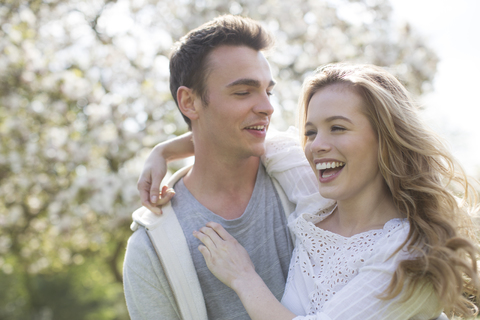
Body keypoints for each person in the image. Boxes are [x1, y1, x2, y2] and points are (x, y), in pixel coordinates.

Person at [141, 64, 479, 319]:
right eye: (311, 132)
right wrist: (164, 151)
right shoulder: (316, 202)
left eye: (338, 128)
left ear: (385, 139)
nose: (318, 146)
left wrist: (243, 277)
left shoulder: (405, 251)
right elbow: (240, 136)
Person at [123, 15, 329, 320]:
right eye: (243, 92)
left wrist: (163, 150)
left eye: (267, 91)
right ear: (189, 102)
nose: (267, 107)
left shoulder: (304, 173)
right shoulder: (151, 250)